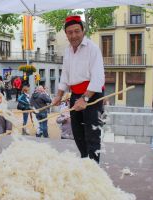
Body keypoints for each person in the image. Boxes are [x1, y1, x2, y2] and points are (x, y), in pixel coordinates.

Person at [52, 15, 105, 163]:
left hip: (92, 96)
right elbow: (65, 75)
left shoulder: (93, 49)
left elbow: (98, 78)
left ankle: (94, 168)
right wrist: (58, 95)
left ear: (83, 31)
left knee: (92, 134)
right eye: (70, 32)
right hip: (76, 95)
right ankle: (84, 161)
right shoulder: (68, 50)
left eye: (77, 31)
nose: (74, 35)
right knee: (77, 132)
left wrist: (85, 98)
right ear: (66, 34)